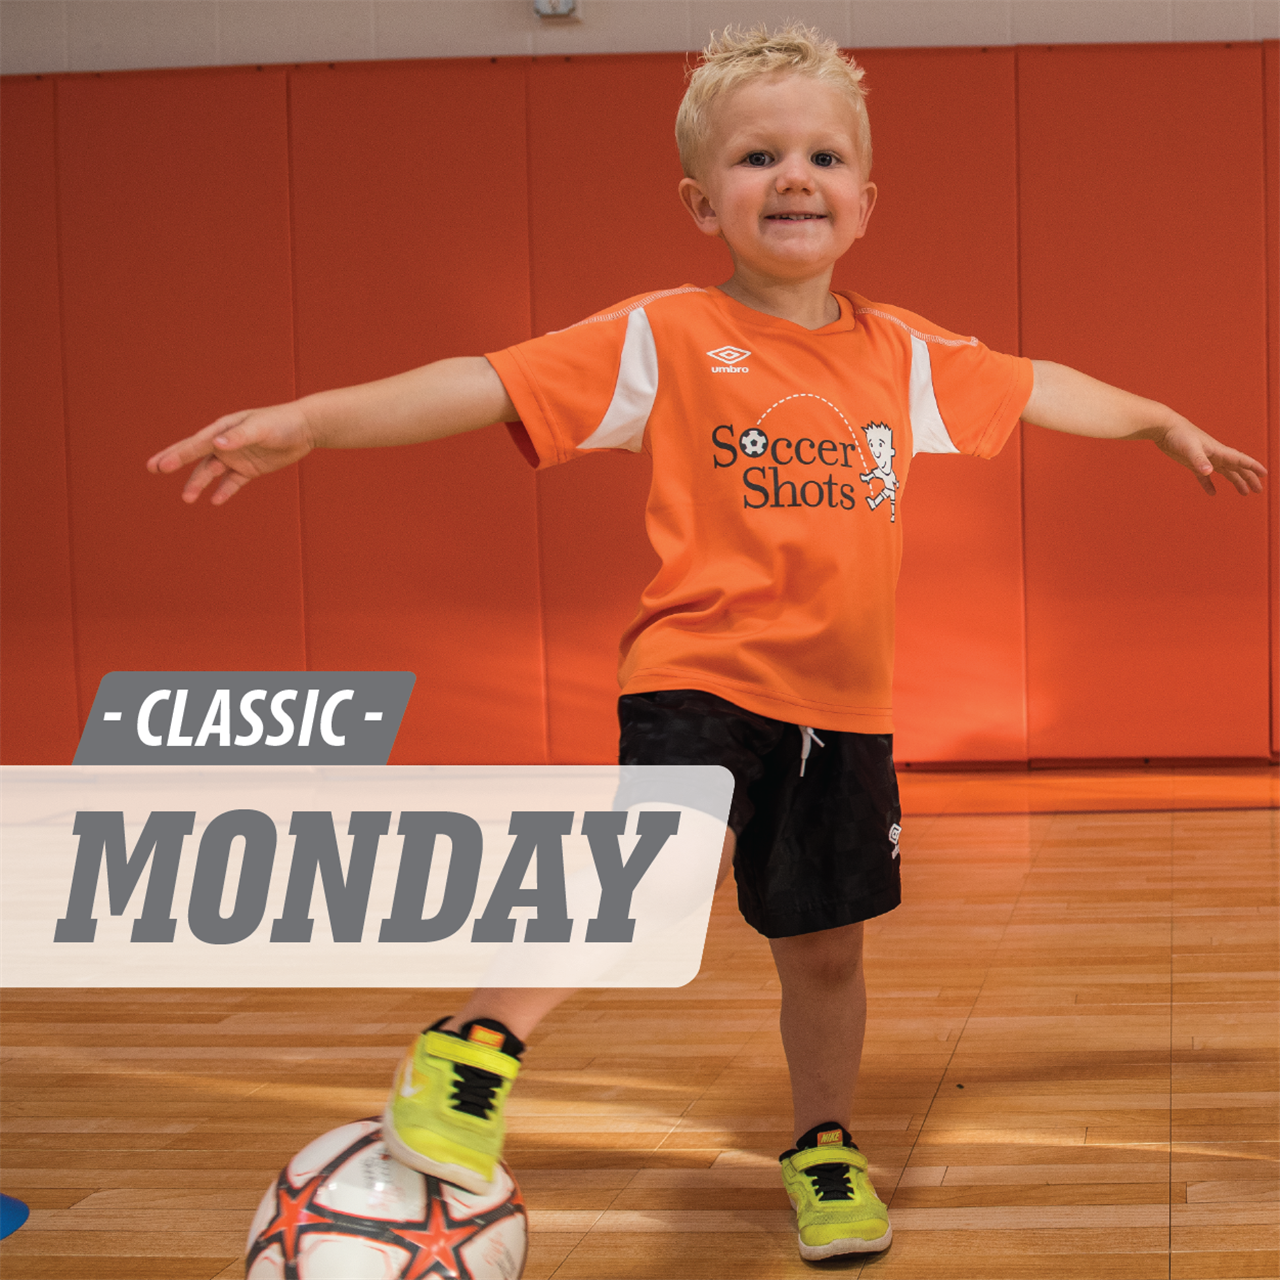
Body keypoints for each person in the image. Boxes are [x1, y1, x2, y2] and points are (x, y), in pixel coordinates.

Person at [148, 24, 1266, 1262]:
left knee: (823, 950)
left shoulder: (902, 355)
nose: (793, 176)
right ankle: (466, 1051)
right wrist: (312, 419)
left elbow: (1038, 382)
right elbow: (484, 381)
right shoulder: (664, 334)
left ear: (864, 200)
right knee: (647, 867)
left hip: (841, 707)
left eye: (823, 156)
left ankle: (823, 1146)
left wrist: (1158, 420)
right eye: (755, 156)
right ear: (699, 201)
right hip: (699, 670)